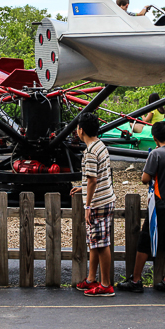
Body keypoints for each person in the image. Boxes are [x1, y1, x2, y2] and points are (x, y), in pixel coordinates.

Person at [117, 121, 165, 294]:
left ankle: (136, 280)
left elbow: (145, 178)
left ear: (154, 137)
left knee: (145, 239)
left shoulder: (155, 154)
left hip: (160, 203)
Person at [70, 112, 116, 297]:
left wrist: (87, 206)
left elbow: (92, 180)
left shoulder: (90, 151)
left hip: (98, 203)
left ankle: (106, 284)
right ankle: (91, 279)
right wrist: (82, 188)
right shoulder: (100, 146)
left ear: (81, 130)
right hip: (105, 198)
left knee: (102, 243)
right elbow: (100, 176)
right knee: (95, 242)